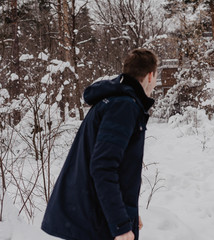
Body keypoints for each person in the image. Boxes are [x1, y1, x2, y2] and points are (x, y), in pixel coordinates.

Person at [41, 48, 158, 240]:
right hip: (95, 222)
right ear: (150, 75)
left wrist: (126, 211)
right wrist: (120, 224)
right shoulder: (123, 106)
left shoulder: (113, 102)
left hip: (94, 216)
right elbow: (103, 167)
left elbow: (113, 167)